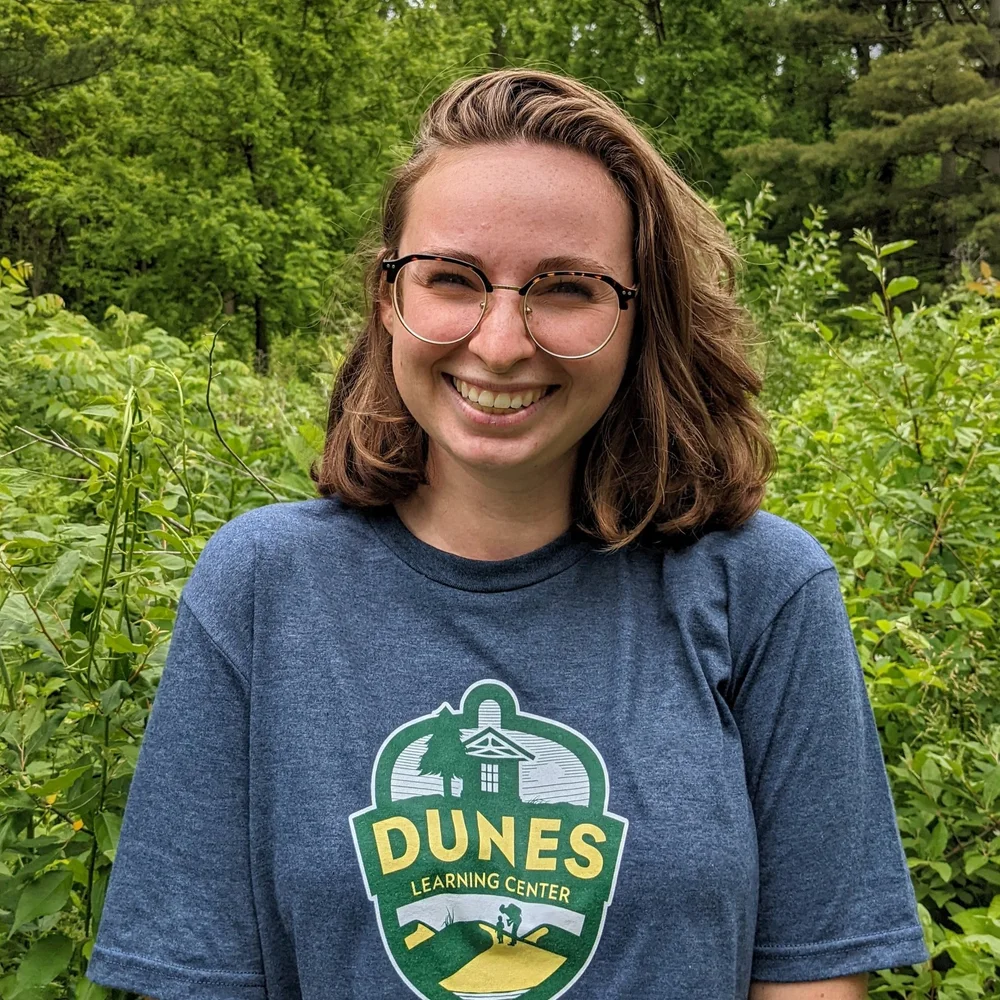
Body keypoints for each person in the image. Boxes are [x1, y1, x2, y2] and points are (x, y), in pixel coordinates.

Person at [84, 68, 929, 1000]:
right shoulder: (261, 586)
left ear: (639, 322)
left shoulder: (764, 589)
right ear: (387, 301)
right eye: (451, 278)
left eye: (566, 288)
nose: (499, 341)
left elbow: (811, 981)